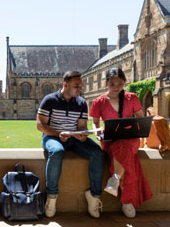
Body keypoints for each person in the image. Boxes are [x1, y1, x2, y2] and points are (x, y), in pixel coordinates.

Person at [36, 70, 105, 218]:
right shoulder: (49, 100)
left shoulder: (81, 103)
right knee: (57, 151)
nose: (80, 89)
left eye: (81, 86)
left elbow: (81, 126)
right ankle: (52, 197)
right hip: (52, 137)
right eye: (77, 86)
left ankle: (94, 196)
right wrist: (58, 134)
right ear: (65, 85)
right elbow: (40, 125)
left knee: (98, 153)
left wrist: (82, 134)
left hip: (73, 139)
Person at [90, 67, 152, 218]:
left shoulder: (132, 98)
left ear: (124, 82)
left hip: (131, 139)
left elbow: (140, 119)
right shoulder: (99, 102)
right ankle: (127, 201)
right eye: (113, 83)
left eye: (120, 83)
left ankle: (115, 180)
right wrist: (99, 134)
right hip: (110, 140)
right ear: (106, 83)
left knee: (124, 145)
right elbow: (95, 124)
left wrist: (139, 128)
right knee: (123, 152)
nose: (116, 87)